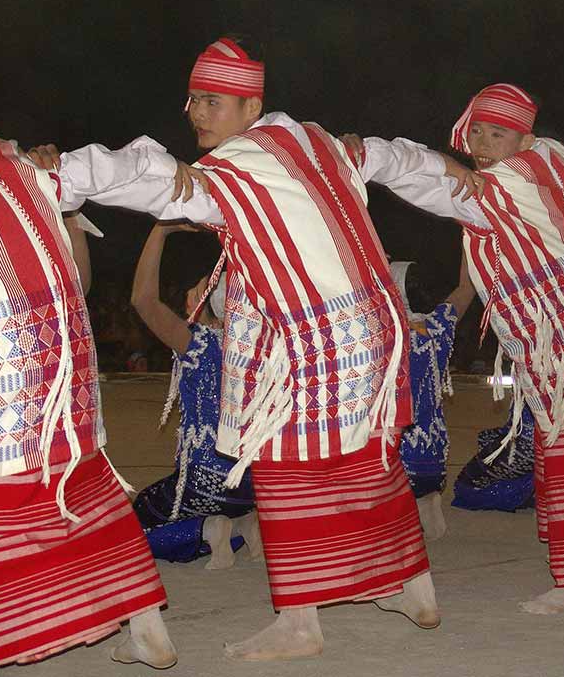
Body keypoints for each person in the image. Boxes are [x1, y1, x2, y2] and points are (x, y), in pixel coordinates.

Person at [27, 36, 483, 661]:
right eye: (192, 100)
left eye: (212, 101)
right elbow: (391, 157)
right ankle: (412, 586)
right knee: (365, 460)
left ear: (251, 104)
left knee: (280, 465)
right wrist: (448, 168)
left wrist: (44, 178)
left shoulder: (234, 168)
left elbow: (142, 174)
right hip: (376, 336)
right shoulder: (319, 143)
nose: (195, 112)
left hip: (310, 342)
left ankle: (300, 622)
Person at [362, 84, 564, 613]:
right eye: (477, 131)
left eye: (498, 133)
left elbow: (421, 184)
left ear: (526, 138)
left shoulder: (507, 180)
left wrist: (372, 158)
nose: (483, 143)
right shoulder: (549, 164)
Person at [0, 130, 175, 674]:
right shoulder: (18, 168)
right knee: (80, 481)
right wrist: (169, 169)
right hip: (62, 361)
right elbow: (113, 168)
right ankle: (146, 624)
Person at [129, 222, 262, 568]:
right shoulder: (262, 348)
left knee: (131, 526)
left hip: (206, 481)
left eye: (199, 288)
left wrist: (159, 230)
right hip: (252, 484)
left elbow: (143, 300)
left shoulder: (198, 343)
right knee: (222, 505)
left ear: (206, 304)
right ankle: (242, 525)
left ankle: (207, 530)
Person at [391, 255, 477, 539]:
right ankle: (425, 498)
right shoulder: (438, 326)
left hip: (395, 464)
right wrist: (471, 244)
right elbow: (466, 287)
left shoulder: (386, 337)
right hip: (434, 462)